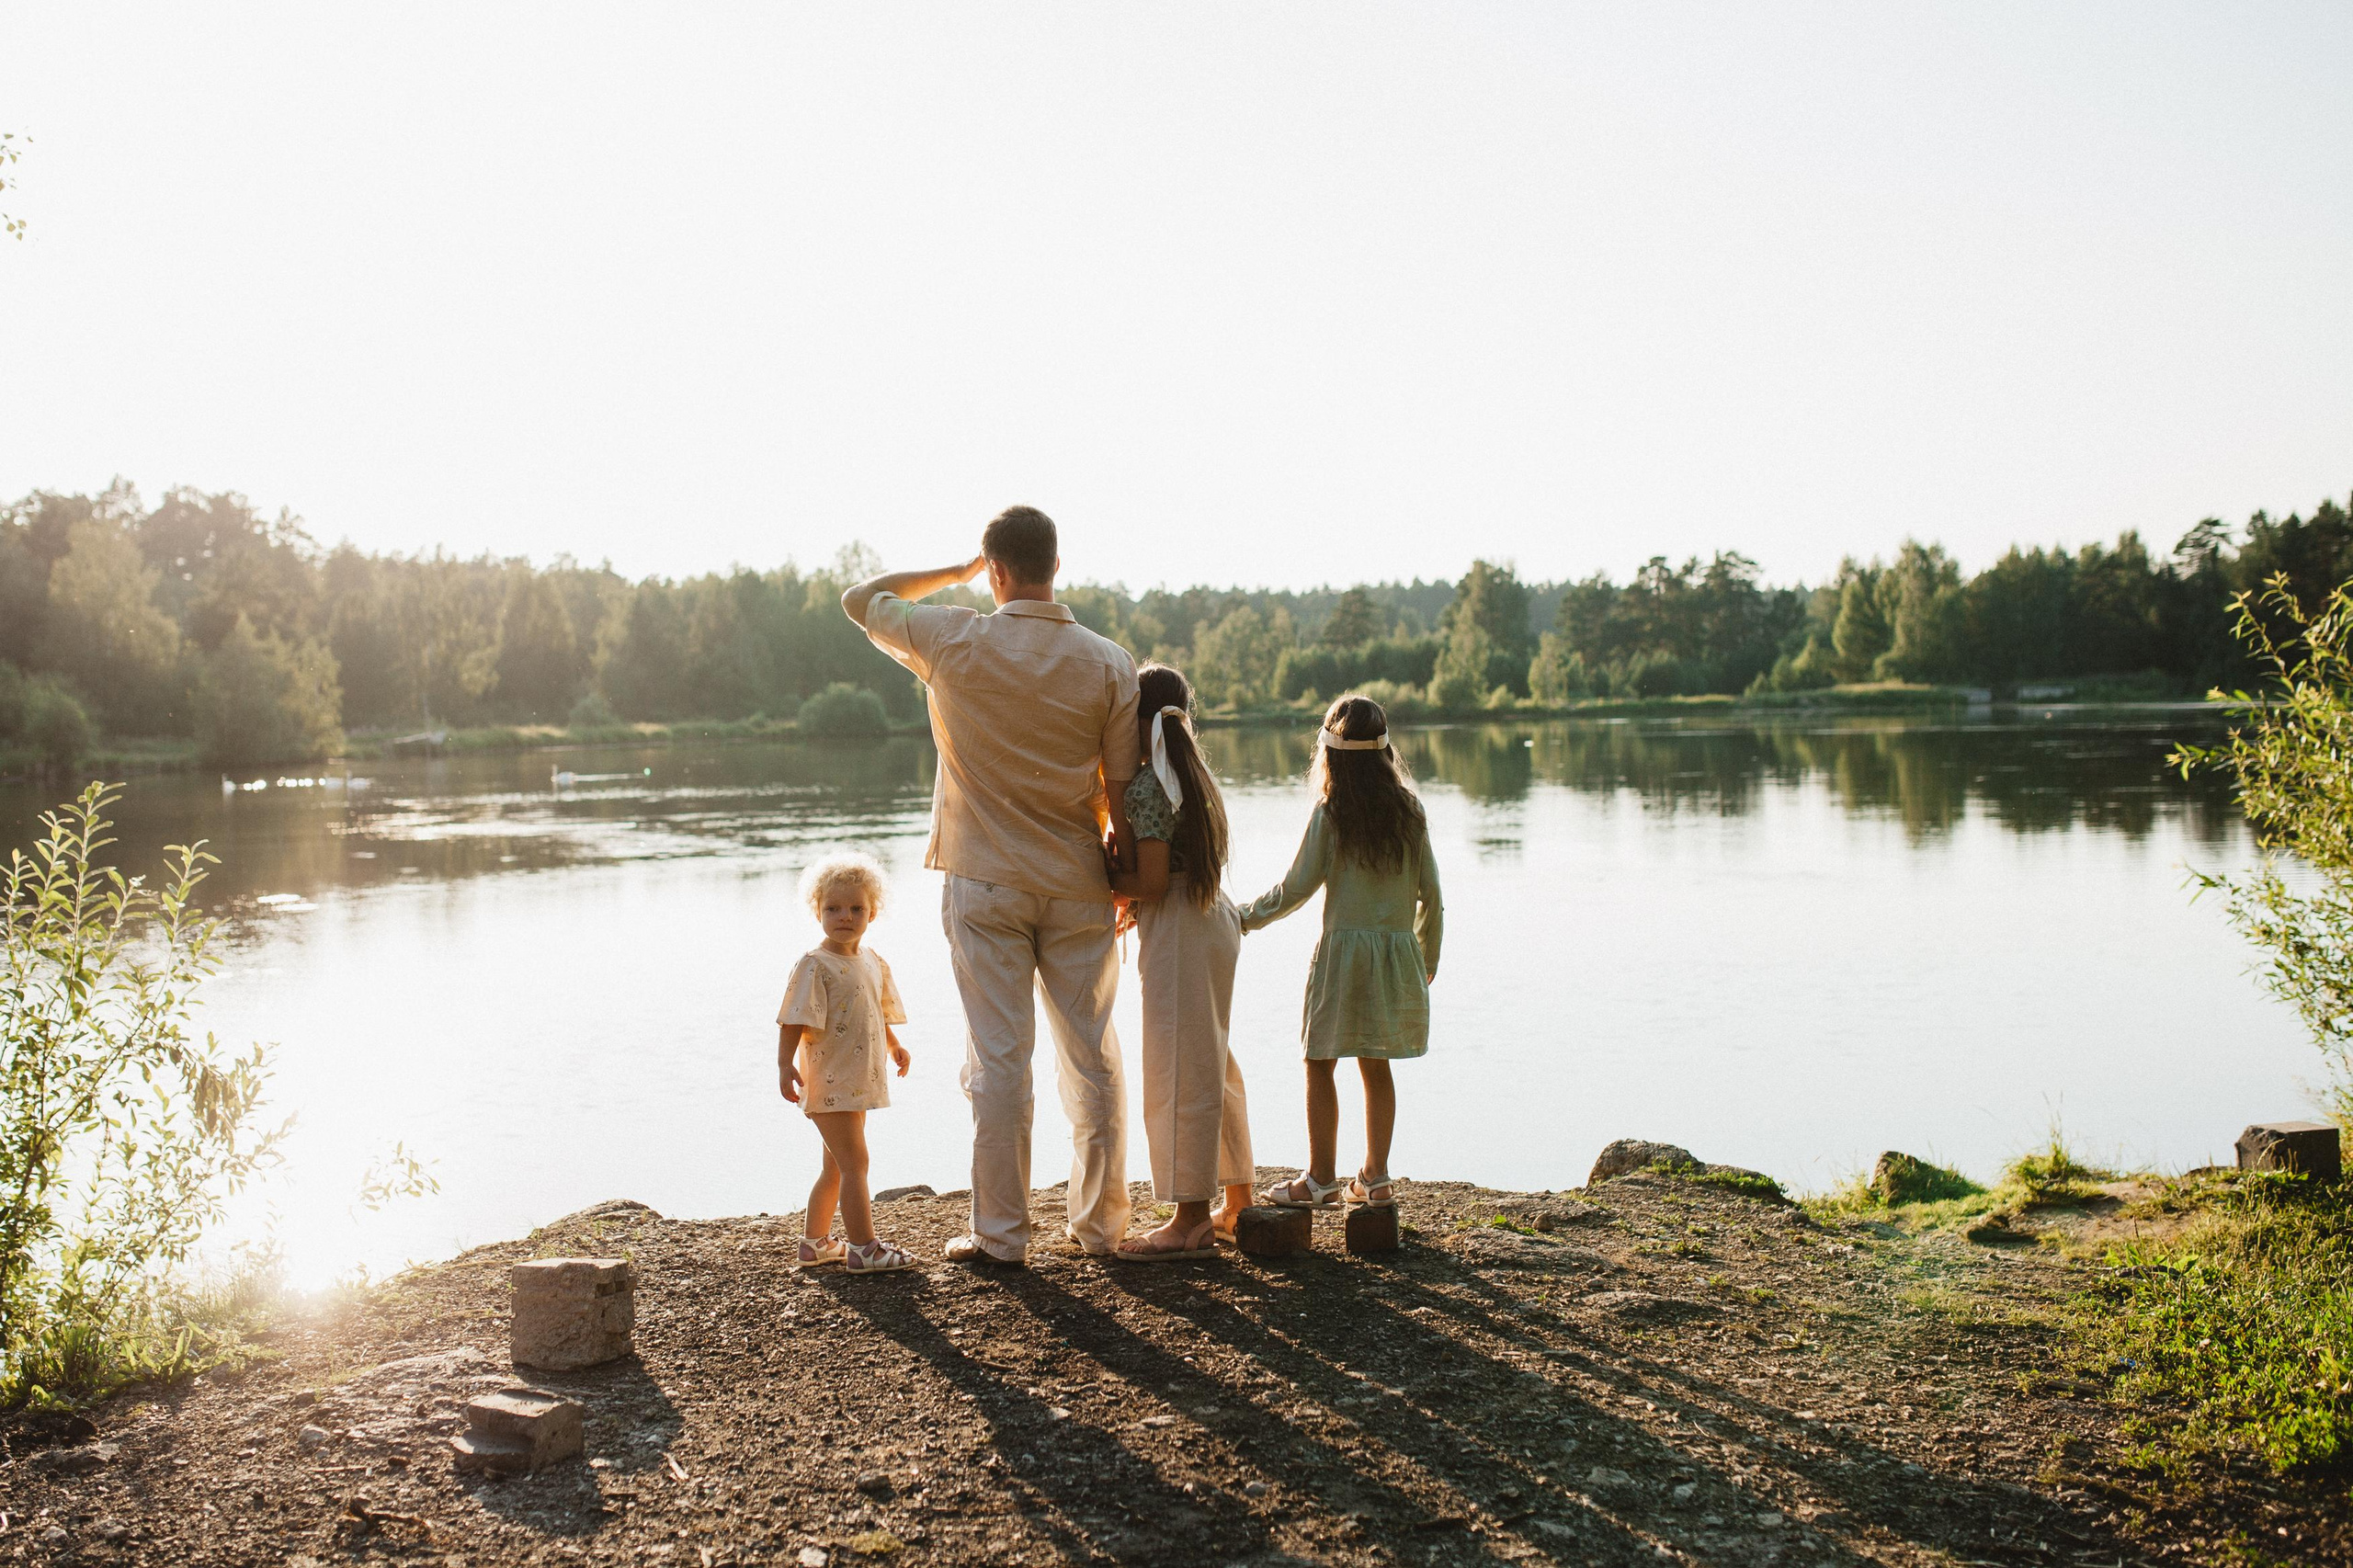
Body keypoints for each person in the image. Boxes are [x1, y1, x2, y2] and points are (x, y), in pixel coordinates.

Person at [842, 506, 1140, 1265]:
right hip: (1077, 881)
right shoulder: (1110, 662)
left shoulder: (954, 636)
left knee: (1001, 1060)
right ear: (1057, 566)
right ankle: (1101, 1227)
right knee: (1093, 1056)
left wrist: (955, 572)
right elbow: (1124, 789)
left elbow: (859, 599)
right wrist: (1128, 881)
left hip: (985, 884)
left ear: (997, 569)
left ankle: (1002, 1236)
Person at [1240, 692, 1443, 1211]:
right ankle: (1375, 1178)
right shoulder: (1411, 812)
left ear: (1330, 754)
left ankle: (1320, 1179)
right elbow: (1433, 897)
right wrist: (1425, 964)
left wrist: (1242, 917)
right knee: (1376, 1067)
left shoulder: (1332, 813)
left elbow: (1294, 889)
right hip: (1396, 958)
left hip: (1341, 958)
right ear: (1385, 753)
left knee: (1319, 1063)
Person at [1105, 664, 1254, 1261]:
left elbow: (1148, 880)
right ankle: (1237, 1198)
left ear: (1138, 723)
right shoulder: (1194, 775)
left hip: (1179, 929)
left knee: (1177, 1066)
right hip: (1214, 915)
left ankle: (1189, 1219)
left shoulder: (1148, 785)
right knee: (1213, 1060)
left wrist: (1102, 870)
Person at [777, 853, 915, 1274]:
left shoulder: (871, 959)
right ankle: (863, 1248)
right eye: (833, 908)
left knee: (836, 1164)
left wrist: (893, 1044)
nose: (845, 916)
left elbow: (873, 1009)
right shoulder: (815, 964)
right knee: (857, 1163)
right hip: (830, 1079)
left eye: (856, 908)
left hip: (858, 1077)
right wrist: (785, 1065)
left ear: (873, 911)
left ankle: (815, 1243)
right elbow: (794, 1019)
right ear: (817, 911)